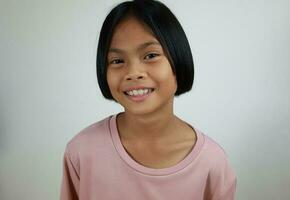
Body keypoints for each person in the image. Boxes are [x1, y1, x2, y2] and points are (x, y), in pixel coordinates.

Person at [60, 0, 237, 199]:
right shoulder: (82, 151)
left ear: (178, 59)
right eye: (117, 61)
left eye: (151, 55)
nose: (133, 73)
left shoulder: (212, 163)